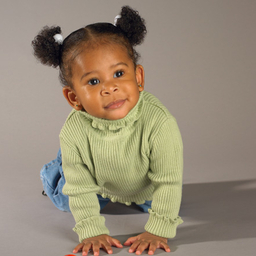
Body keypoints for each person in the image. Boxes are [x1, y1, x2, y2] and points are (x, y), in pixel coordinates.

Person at [32, 6, 183, 256]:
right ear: (74, 98)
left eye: (119, 74)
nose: (110, 88)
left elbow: (168, 181)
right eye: (93, 81)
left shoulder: (159, 122)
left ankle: (124, 191)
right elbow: (81, 189)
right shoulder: (74, 131)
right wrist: (91, 231)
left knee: (170, 202)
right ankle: (54, 171)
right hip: (98, 183)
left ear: (139, 77)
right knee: (64, 200)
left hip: (142, 187)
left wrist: (158, 230)